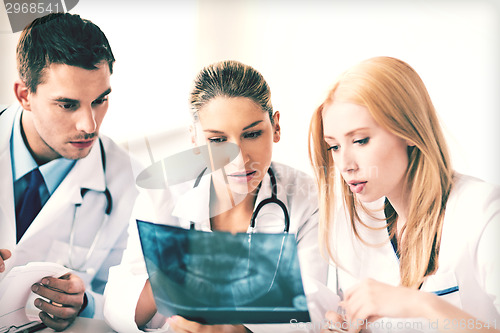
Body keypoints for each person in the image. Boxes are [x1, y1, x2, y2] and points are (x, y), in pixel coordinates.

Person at [104, 60, 329, 332]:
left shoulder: (307, 199)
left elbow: (316, 309)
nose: (239, 160)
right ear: (195, 139)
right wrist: (166, 280)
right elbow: (117, 304)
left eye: (253, 134)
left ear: (276, 127)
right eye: (218, 140)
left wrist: (236, 331)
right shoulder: (162, 194)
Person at [308, 56, 500, 332]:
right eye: (334, 147)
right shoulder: (357, 227)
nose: (346, 165)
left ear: (408, 131)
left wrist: (422, 305)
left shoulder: (482, 212)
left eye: (361, 140)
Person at [0, 13, 138, 330]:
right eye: (67, 104)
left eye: (100, 100)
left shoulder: (128, 182)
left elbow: (126, 300)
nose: (89, 125)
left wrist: (84, 302)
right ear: (25, 95)